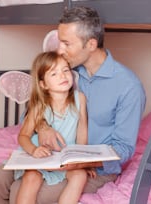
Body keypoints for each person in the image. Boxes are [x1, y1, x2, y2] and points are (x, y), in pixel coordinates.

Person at [0, 6, 146, 204]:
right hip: (47, 155)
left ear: (91, 44)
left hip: (92, 169)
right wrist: (43, 127)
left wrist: (80, 161)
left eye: (67, 43)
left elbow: (124, 149)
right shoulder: (65, 71)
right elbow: (32, 112)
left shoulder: (128, 86)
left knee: (19, 191)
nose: (60, 49)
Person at [13, 51, 89, 204]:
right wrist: (34, 150)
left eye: (66, 70)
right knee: (31, 177)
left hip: (64, 158)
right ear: (43, 84)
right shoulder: (39, 106)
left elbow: (82, 129)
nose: (63, 76)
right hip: (42, 158)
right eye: (54, 74)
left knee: (80, 175)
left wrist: (83, 161)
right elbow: (23, 136)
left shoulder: (79, 98)